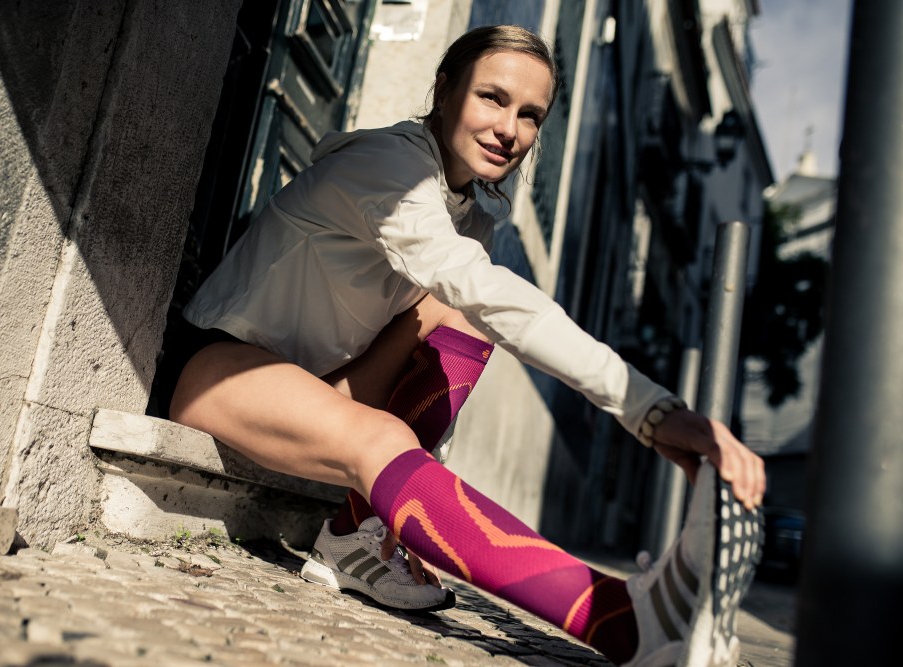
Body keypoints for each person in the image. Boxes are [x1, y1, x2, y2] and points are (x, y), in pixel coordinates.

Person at [166, 24, 766, 667]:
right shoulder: (389, 167)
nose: (509, 128)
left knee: (463, 314)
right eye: (492, 98)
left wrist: (418, 496)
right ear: (445, 90)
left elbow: (467, 312)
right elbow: (493, 292)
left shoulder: (472, 211)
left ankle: (353, 533)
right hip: (220, 371)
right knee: (443, 350)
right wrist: (649, 410)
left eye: (530, 115)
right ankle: (625, 622)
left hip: (320, 385)